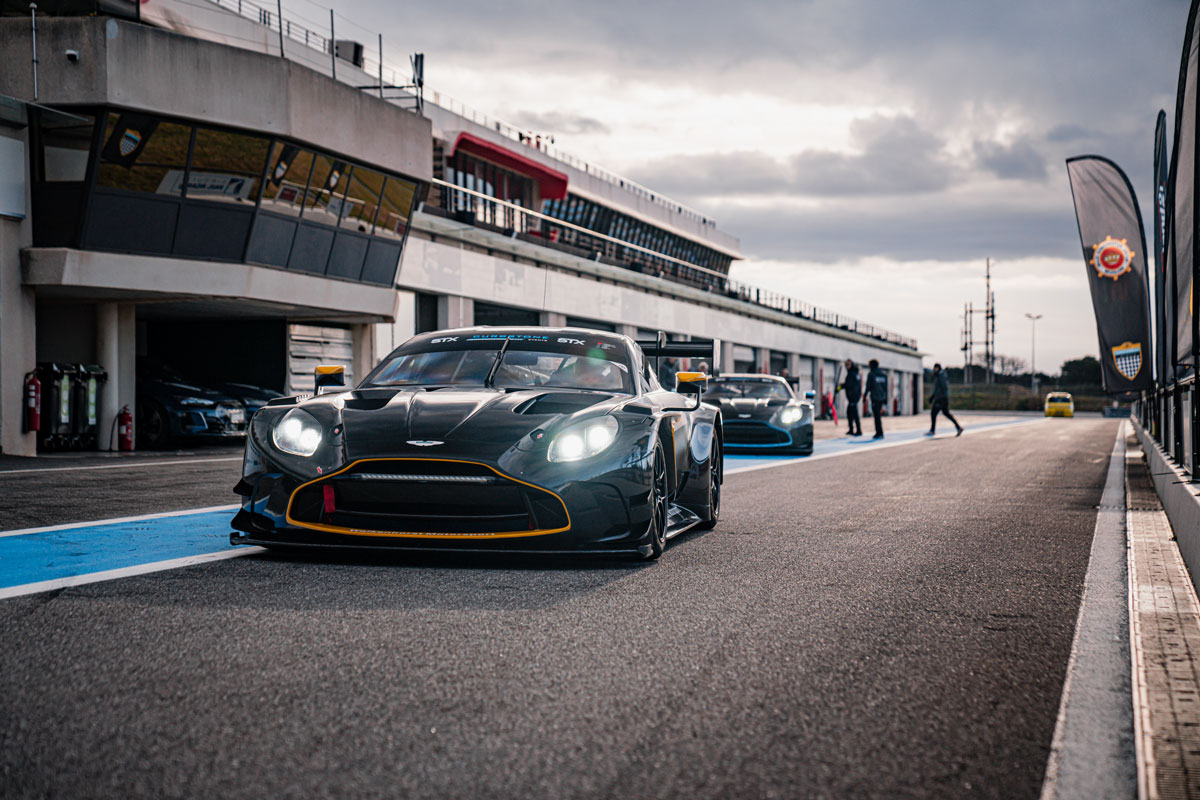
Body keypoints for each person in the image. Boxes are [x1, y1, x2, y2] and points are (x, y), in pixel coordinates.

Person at [926, 363, 963, 437]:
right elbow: (937, 389)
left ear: (938, 368)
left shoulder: (941, 376)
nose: (934, 370)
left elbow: (944, 387)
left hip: (941, 399)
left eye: (936, 368)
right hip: (941, 398)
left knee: (933, 413)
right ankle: (959, 427)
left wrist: (941, 398)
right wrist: (932, 397)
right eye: (934, 368)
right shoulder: (939, 376)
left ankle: (932, 430)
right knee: (946, 413)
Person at [866, 358, 888, 439]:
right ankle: (880, 432)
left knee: (877, 416)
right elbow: (886, 388)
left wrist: (865, 396)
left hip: (875, 398)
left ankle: (879, 433)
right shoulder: (883, 374)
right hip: (882, 398)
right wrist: (886, 398)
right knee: (878, 416)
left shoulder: (871, 374)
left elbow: (868, 386)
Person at [840, 359, 862, 436]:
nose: (847, 366)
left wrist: (839, 388)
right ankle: (851, 429)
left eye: (848, 364)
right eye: (846, 365)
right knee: (850, 413)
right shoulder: (855, 373)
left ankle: (858, 430)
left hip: (853, 397)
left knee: (854, 414)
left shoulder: (851, 374)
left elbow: (848, 385)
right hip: (854, 397)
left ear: (852, 365)